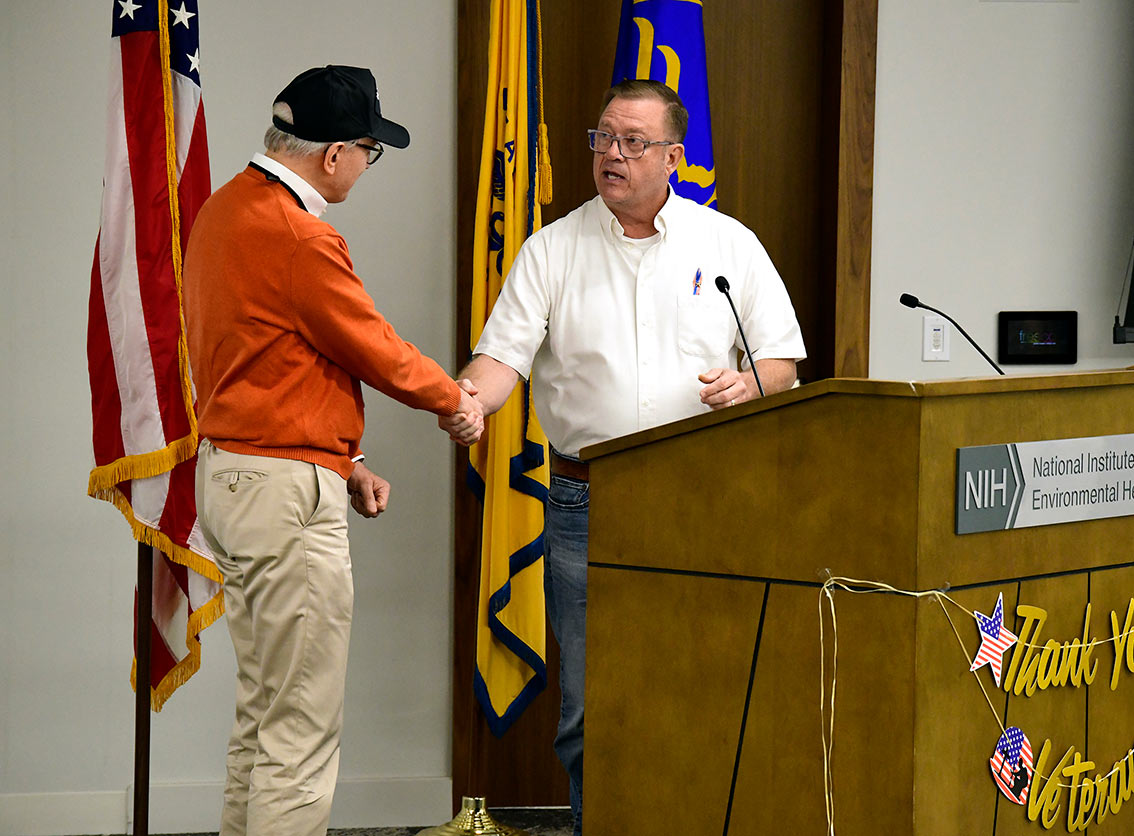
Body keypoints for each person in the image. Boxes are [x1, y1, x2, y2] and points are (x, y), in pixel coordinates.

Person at [442, 79, 805, 835]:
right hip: (588, 501)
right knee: (591, 697)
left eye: (633, 142)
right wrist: (468, 400)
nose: (613, 154)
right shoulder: (553, 248)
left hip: (704, 494)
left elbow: (782, 365)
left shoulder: (728, 245)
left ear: (674, 156)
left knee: (705, 678)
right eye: (603, 137)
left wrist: (747, 384)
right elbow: (500, 359)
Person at [184, 65, 483, 836]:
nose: (365, 165)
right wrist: (458, 402)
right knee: (300, 732)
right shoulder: (299, 233)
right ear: (333, 155)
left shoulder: (222, 211)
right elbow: (371, 346)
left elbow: (259, 358)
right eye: (367, 150)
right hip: (282, 498)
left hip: (237, 474)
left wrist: (341, 460)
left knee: (264, 715)